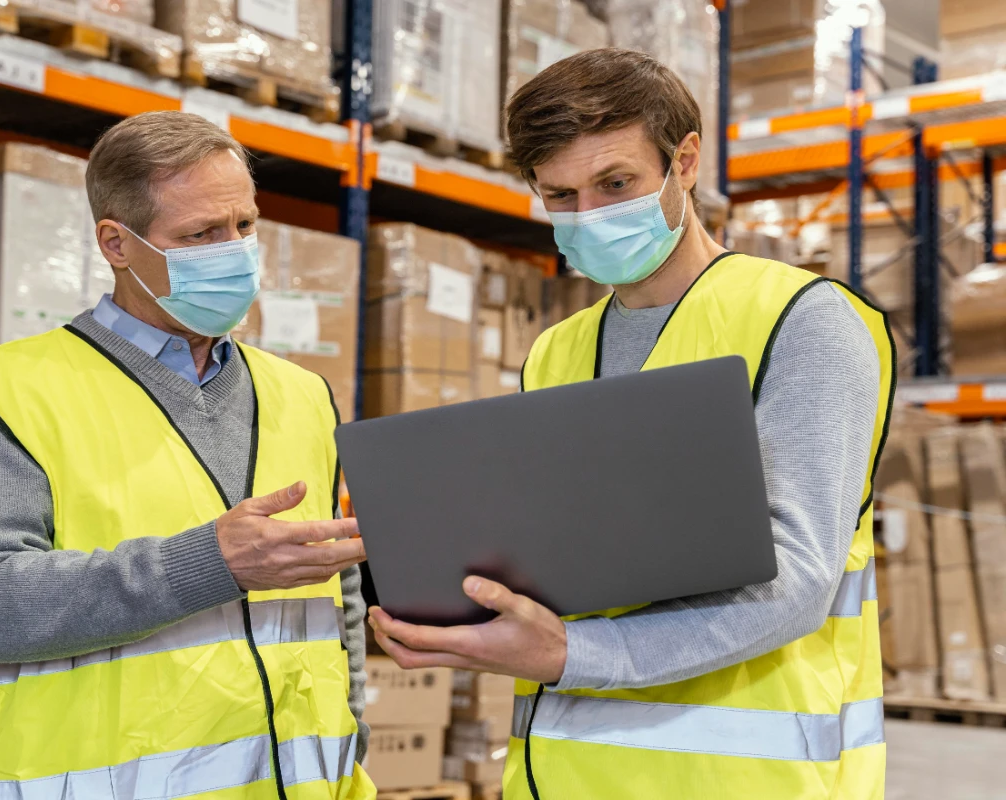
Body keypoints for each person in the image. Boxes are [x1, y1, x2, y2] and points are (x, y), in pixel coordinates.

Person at [367, 48, 894, 799]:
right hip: (563, 777)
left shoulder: (802, 323)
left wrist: (571, 654)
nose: (591, 217)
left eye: (616, 184)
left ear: (684, 163)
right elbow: (557, 562)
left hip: (745, 782)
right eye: (562, 196)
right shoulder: (557, 351)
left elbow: (797, 580)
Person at [0, 111, 376, 799]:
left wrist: (353, 741)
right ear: (116, 243)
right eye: (200, 235)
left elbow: (335, 590)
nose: (233, 252)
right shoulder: (10, 391)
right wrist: (209, 564)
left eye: (245, 226)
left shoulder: (302, 394)